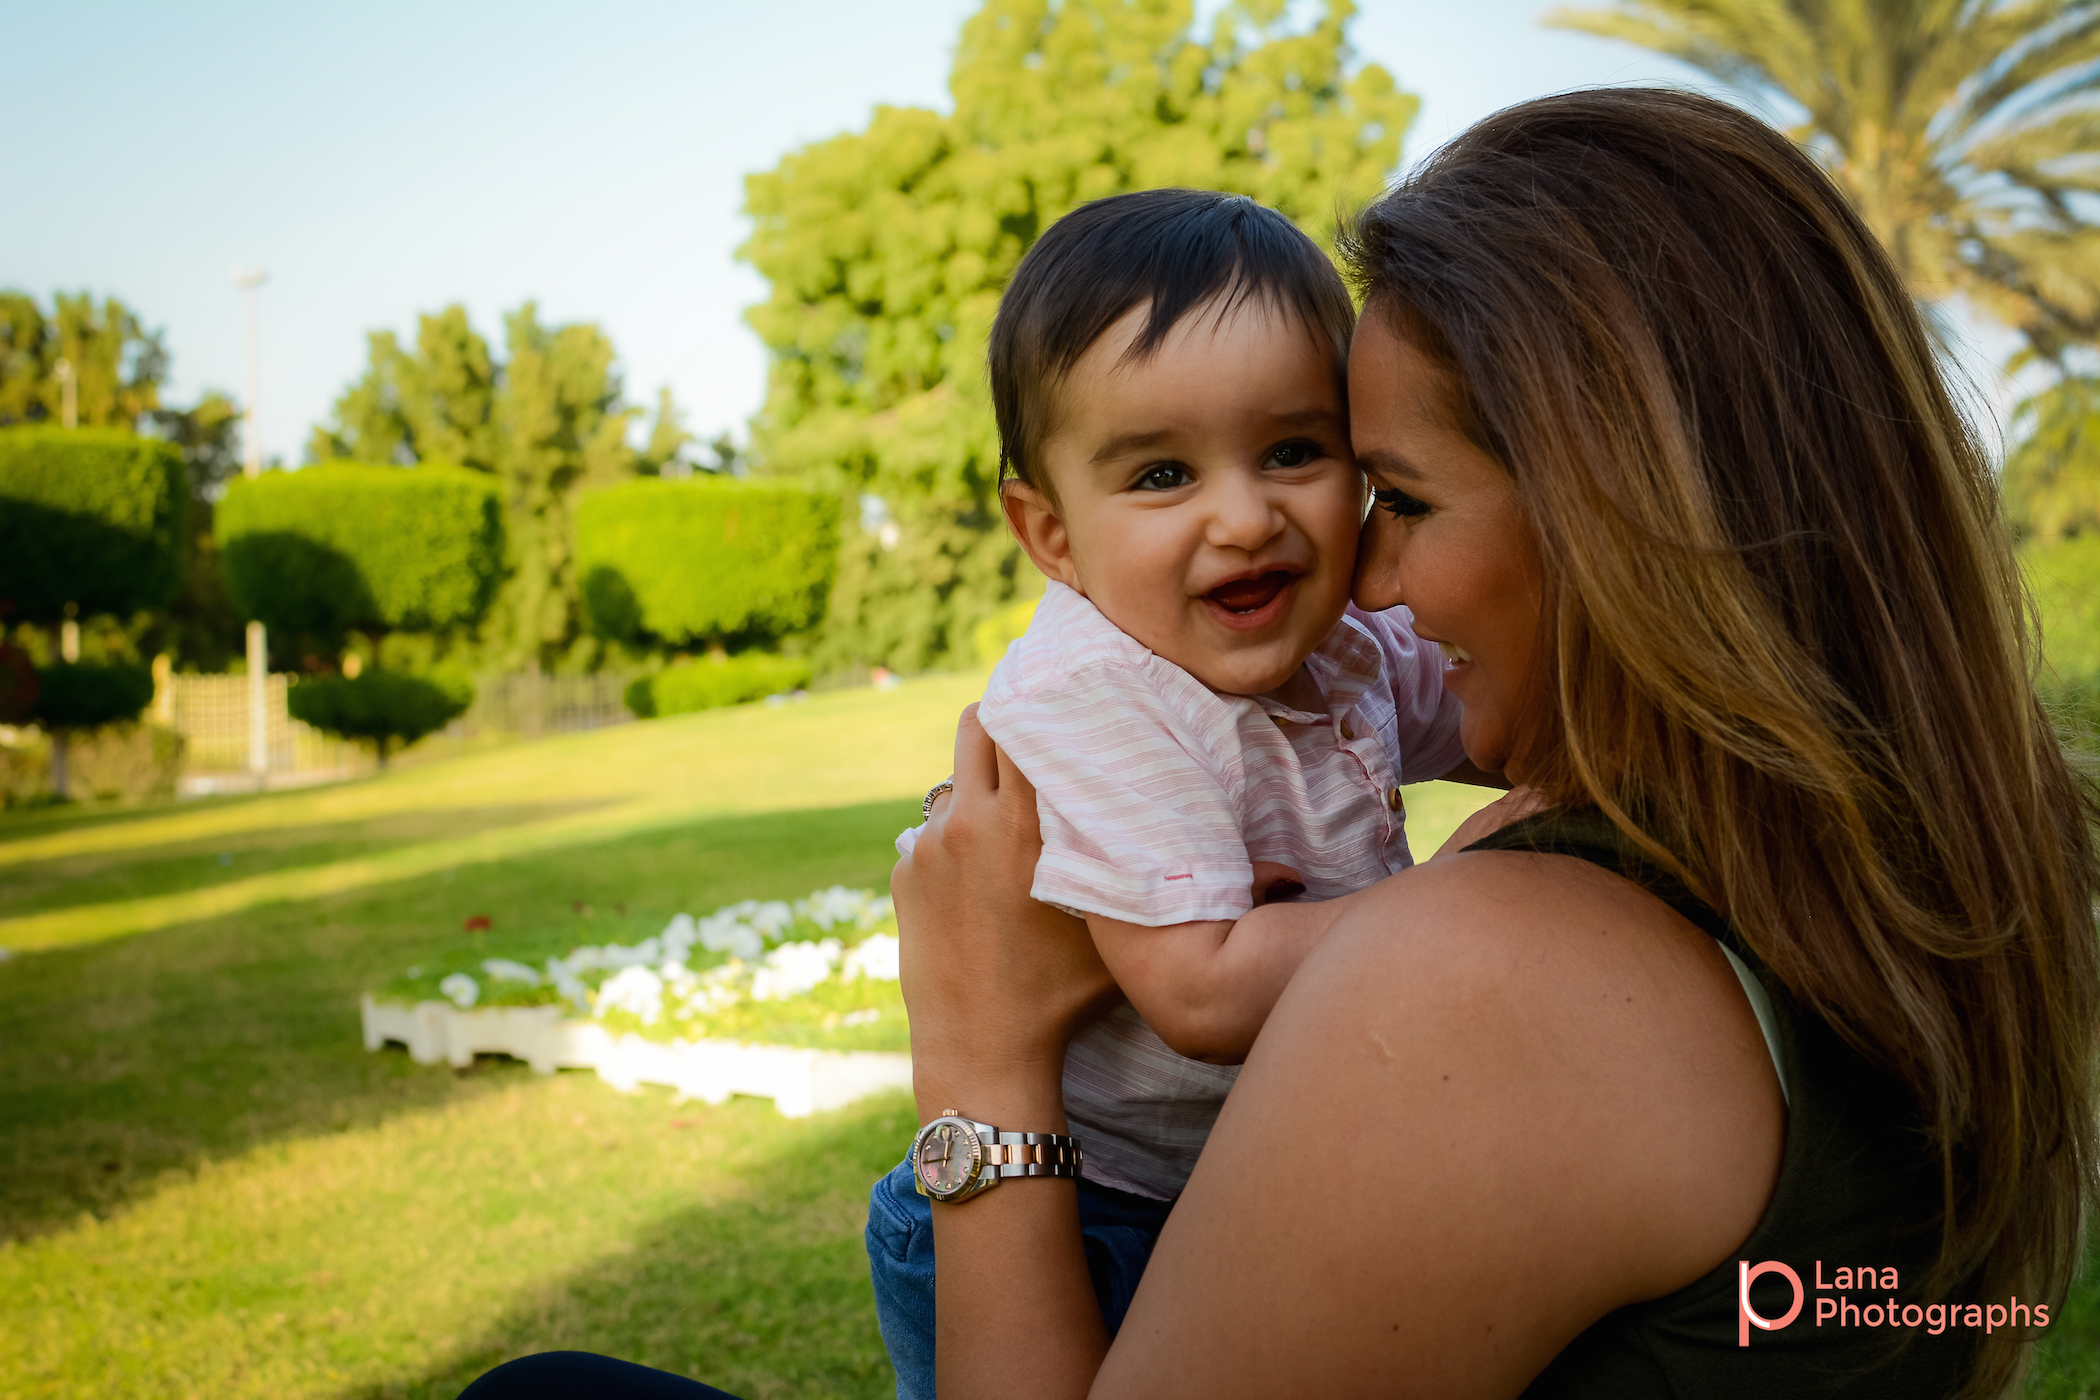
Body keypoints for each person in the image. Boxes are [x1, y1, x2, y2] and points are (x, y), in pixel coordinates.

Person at [457, 87, 2100, 1400]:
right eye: (1162, 475)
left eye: (1385, 493)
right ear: (1048, 527)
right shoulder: (1914, 898)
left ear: (1621, 517)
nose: (1360, 578)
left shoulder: (1491, 984)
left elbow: (1270, 943)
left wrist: (978, 1069)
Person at [874, 187, 1485, 1396]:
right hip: (1083, 1206)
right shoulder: (1093, 693)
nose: (1246, 517)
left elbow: (1499, 721)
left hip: (1225, 1184)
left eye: (1294, 451)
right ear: (1051, 535)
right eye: (1162, 472)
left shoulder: (1341, 643)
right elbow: (1199, 984)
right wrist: (1495, 893)